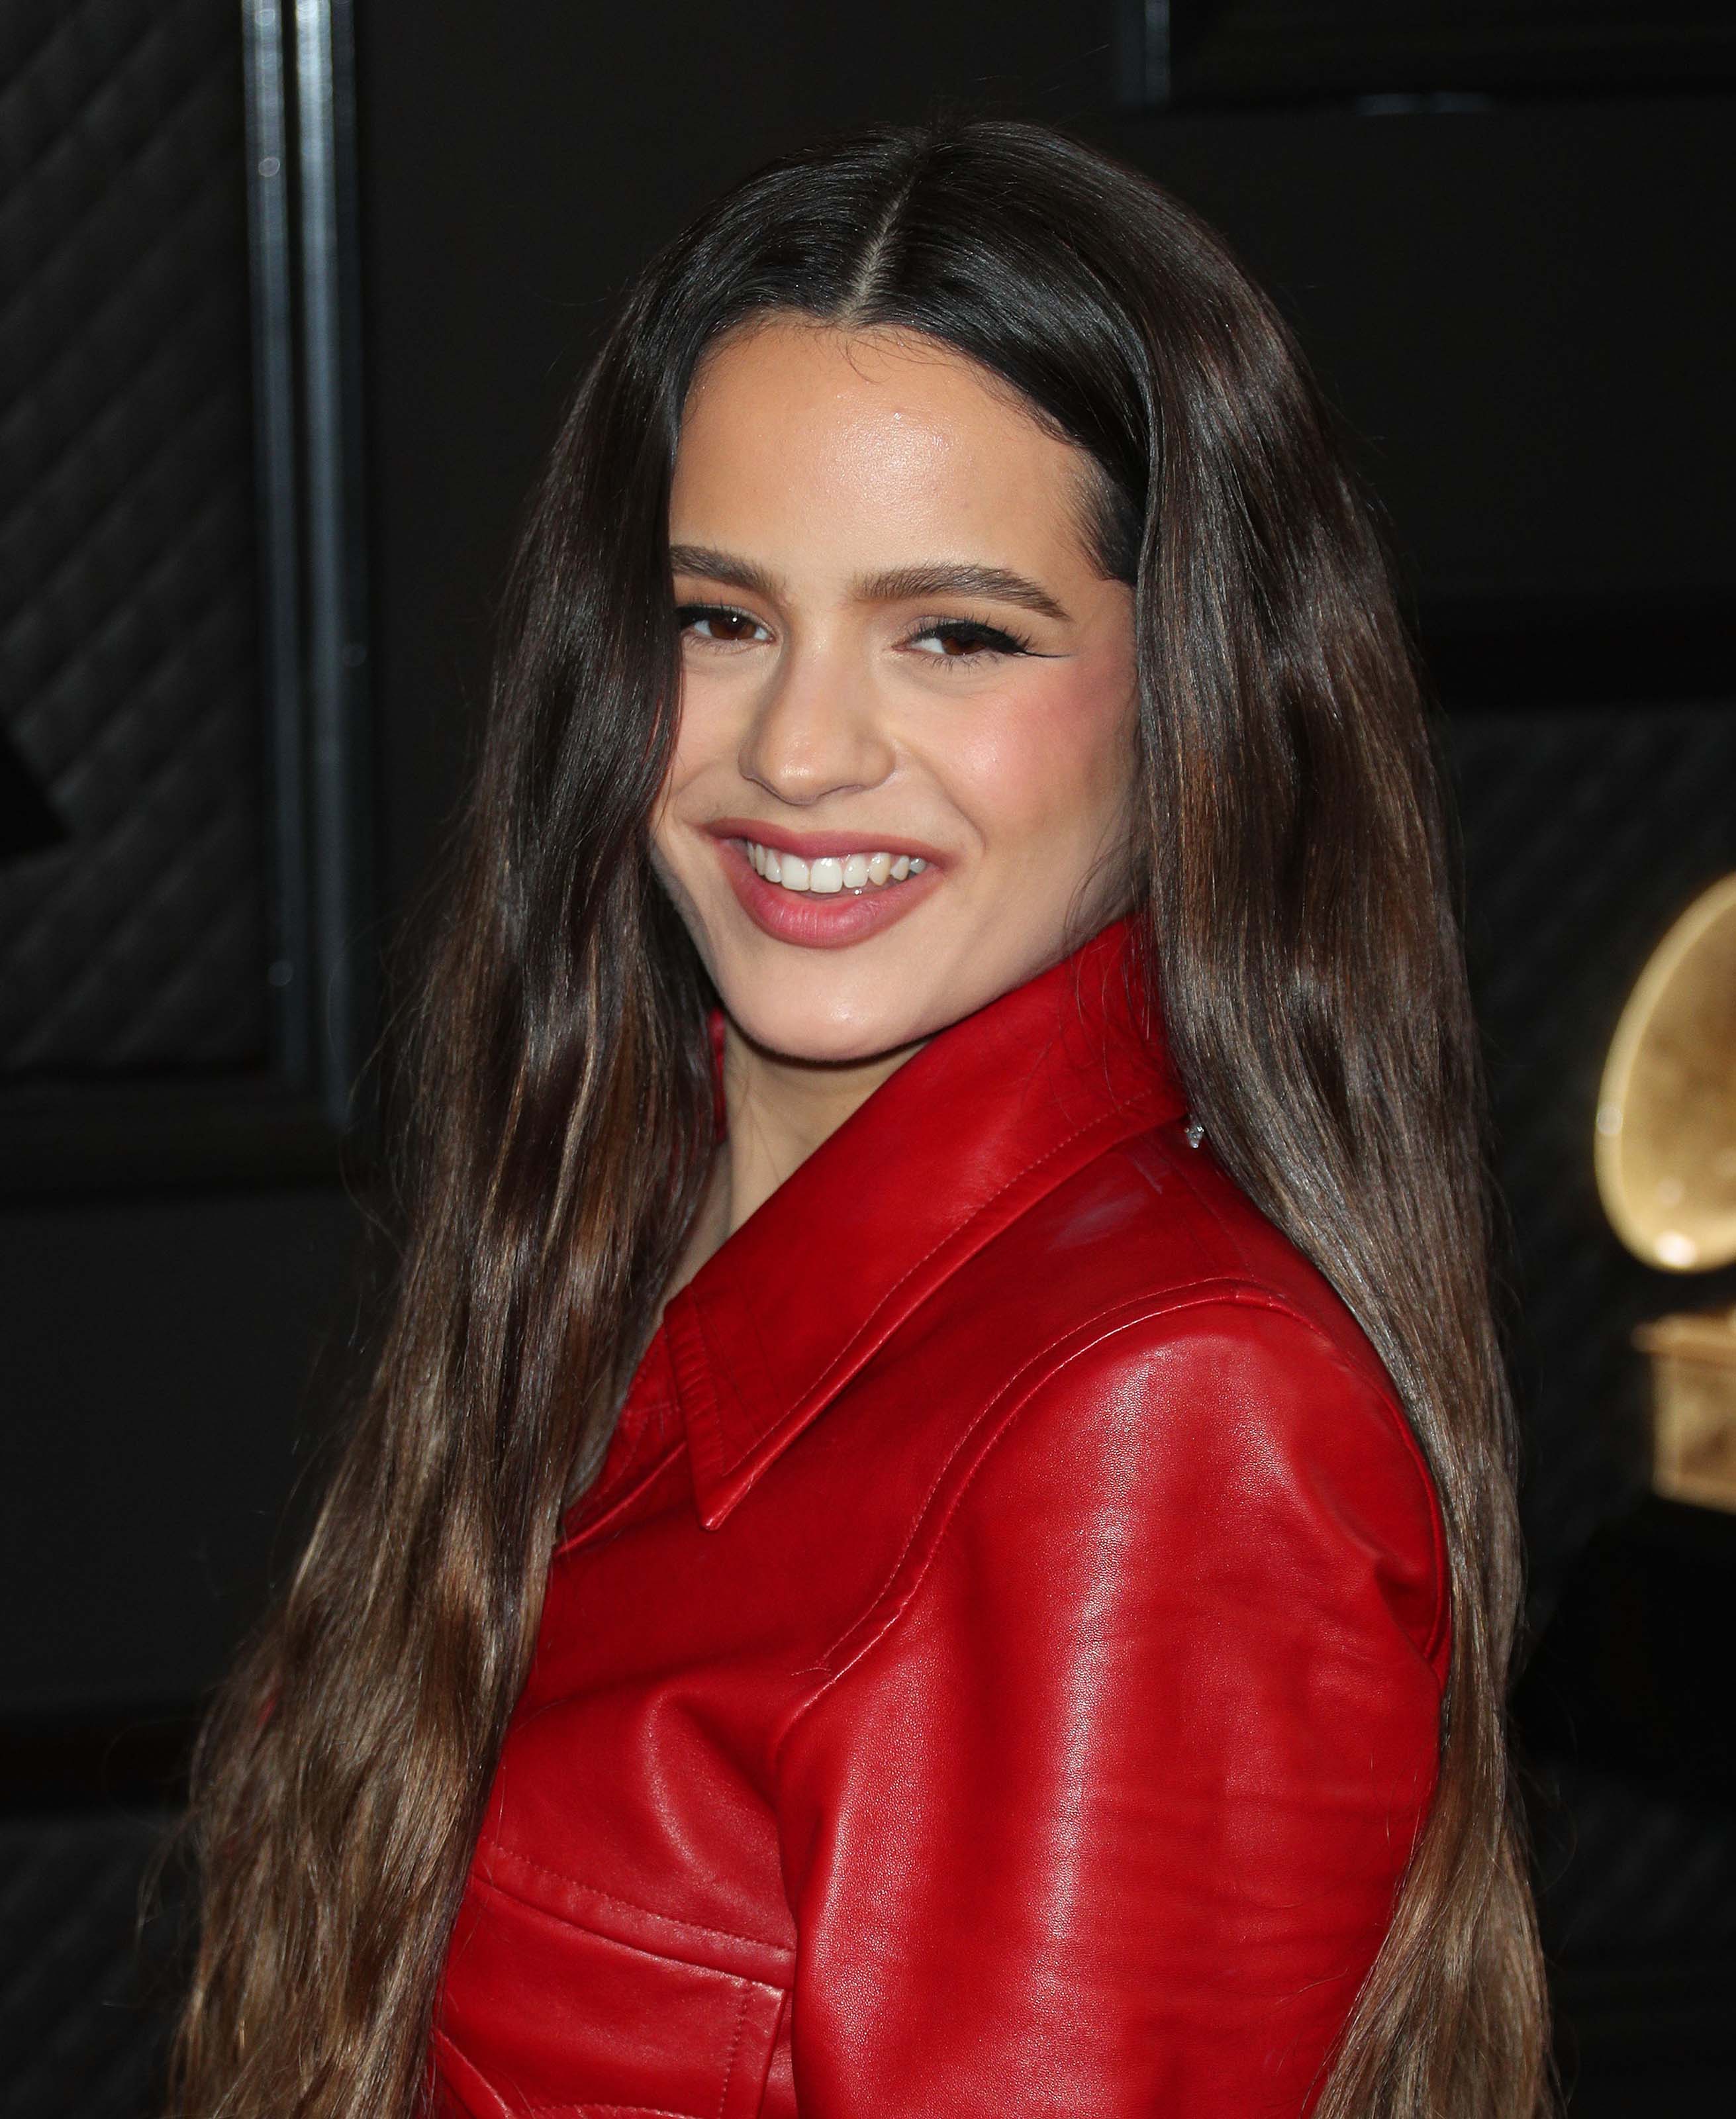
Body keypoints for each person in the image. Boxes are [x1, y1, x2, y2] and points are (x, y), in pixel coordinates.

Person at [170, 119, 1548, 2118]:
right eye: (721, 618)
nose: (798, 753)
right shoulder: (608, 1228)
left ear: (1198, 693)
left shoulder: (1164, 1421)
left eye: (957, 635)